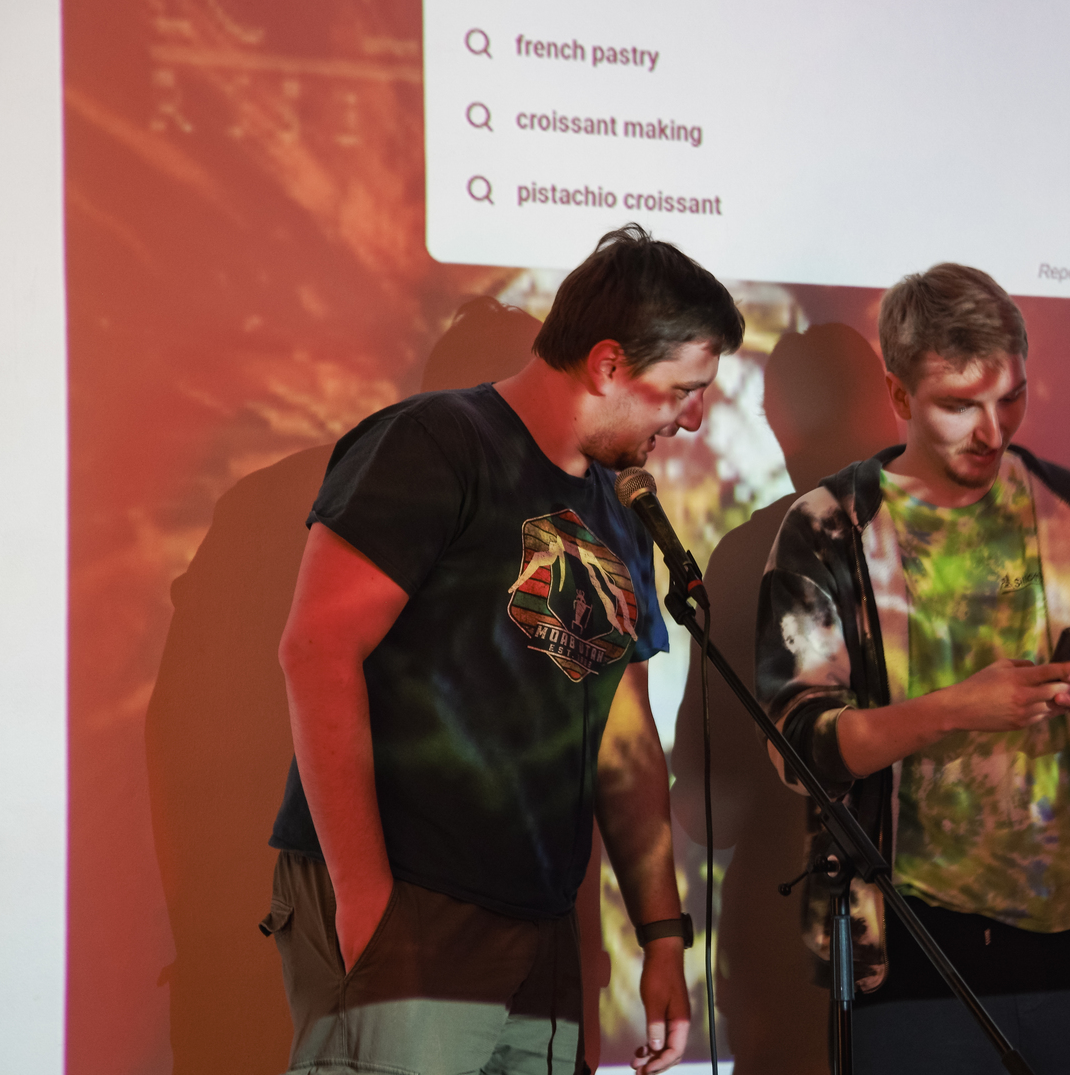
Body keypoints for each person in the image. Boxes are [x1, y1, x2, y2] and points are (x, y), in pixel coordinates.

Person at [264, 224, 744, 1075]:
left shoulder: (620, 510)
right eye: (684, 390)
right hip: (414, 899)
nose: (693, 417)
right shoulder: (435, 442)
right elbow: (317, 649)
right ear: (609, 365)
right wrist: (368, 899)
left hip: (541, 925)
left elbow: (624, 738)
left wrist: (663, 935)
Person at [755, 264, 1070, 1074]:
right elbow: (798, 749)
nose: (992, 431)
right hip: (920, 968)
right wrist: (956, 708)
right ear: (899, 396)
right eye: (960, 405)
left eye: (1011, 398)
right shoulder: (829, 529)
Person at [668, 323, 899, 1074]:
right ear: (888, 405)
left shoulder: (748, 555)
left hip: (786, 930)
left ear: (781, 425)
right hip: (950, 930)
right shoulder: (966, 546)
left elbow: (706, 801)